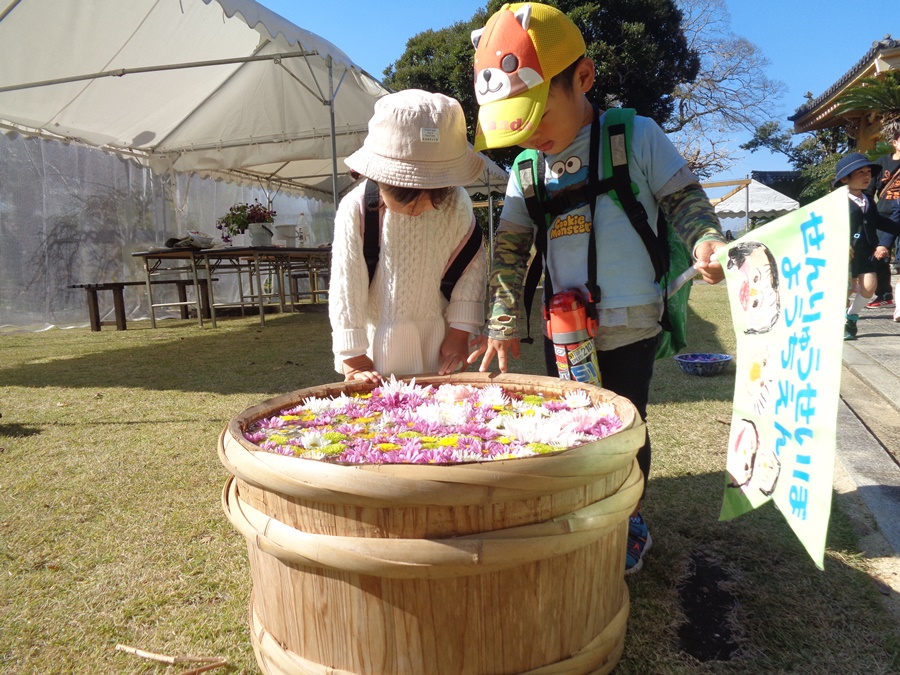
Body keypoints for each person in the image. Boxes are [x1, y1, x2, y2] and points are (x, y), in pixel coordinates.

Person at [467, 2, 727, 574]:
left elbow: (685, 201)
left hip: (632, 318)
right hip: (564, 327)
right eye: (515, 121)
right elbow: (510, 251)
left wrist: (707, 240)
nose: (529, 133)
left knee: (625, 425)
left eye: (536, 113)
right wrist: (503, 321)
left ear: (582, 77)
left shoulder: (635, 136)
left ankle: (629, 520)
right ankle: (583, 514)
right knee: (572, 425)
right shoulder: (526, 170)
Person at [329, 90, 488, 383]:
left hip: (439, 341)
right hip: (379, 346)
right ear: (380, 177)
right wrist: (353, 357)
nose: (418, 209)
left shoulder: (457, 203)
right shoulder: (358, 208)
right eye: (404, 195)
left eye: (433, 196)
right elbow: (346, 283)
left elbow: (471, 267)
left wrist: (459, 332)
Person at [832, 152, 900, 340]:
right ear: (845, 178)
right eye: (860, 172)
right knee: (844, 291)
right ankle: (839, 324)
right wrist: (842, 242)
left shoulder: (868, 199)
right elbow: (830, 224)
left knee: (869, 287)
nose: (866, 176)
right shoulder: (837, 200)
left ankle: (851, 316)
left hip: (865, 250)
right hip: (844, 254)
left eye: (868, 172)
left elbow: (877, 220)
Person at [865, 122, 900, 308]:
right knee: (879, 255)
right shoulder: (881, 163)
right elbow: (869, 190)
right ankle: (884, 294)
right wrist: (868, 212)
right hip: (883, 215)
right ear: (895, 143)